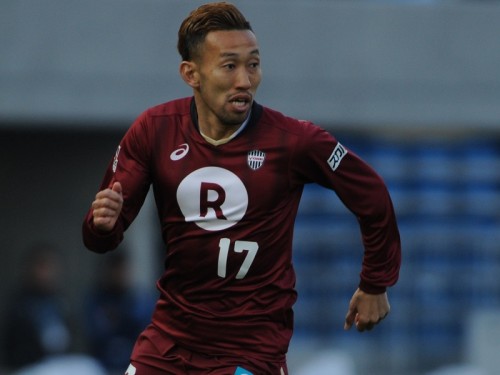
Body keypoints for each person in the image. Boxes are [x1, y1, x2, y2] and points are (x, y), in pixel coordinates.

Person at [82, 2, 401, 374]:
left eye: (253, 64)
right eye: (230, 65)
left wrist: (375, 283)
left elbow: (372, 195)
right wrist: (100, 225)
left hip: (250, 352)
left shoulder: (294, 141)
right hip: (168, 345)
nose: (245, 80)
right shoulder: (155, 130)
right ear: (192, 73)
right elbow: (102, 234)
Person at [1, 243, 73, 370]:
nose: (49, 273)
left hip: (59, 366)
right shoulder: (20, 305)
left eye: (53, 267)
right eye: (43, 266)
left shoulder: (60, 301)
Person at [84, 251, 155, 374]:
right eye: (116, 270)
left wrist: (123, 316)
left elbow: (146, 335)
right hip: (102, 366)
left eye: (123, 270)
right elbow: (95, 336)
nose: (120, 275)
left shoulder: (140, 299)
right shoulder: (95, 300)